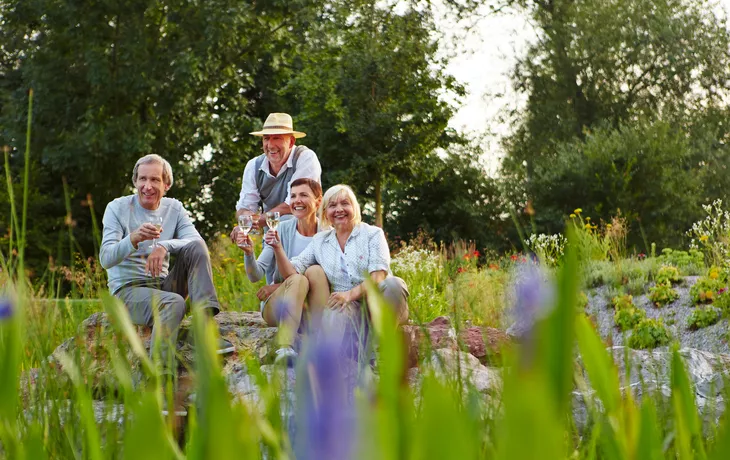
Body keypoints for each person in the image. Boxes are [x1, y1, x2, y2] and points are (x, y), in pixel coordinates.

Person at [100, 154, 233, 372]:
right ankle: (159, 371)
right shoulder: (117, 208)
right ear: (135, 181)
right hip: (127, 291)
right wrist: (132, 239)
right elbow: (106, 258)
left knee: (196, 249)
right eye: (142, 179)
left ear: (167, 184)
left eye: (154, 180)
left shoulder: (175, 208)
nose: (147, 186)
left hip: (162, 286)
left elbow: (197, 241)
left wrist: (165, 246)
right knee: (174, 302)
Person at [275, 184, 409, 352]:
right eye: (332, 205)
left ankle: (379, 352)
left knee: (393, 284)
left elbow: (378, 275)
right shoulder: (319, 241)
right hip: (350, 310)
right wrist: (277, 247)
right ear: (325, 213)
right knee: (332, 314)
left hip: (382, 302)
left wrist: (349, 295)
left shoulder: (373, 234)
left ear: (354, 208)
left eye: (345, 203)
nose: (339, 209)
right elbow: (292, 272)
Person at [238, 178, 324, 363]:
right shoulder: (281, 228)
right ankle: (285, 348)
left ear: (318, 201)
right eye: (292, 196)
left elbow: (330, 278)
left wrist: (276, 285)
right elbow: (256, 275)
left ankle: (317, 343)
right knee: (299, 280)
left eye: (303, 195)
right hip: (279, 307)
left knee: (315, 272)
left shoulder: (327, 233)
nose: (296, 200)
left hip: (311, 309)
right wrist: (249, 254)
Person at [234, 112, 322, 233]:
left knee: (287, 219)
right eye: (266, 138)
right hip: (271, 236)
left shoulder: (305, 158)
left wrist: (258, 220)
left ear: (291, 142)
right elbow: (244, 207)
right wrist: (246, 218)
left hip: (307, 235)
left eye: (276, 138)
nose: (270, 145)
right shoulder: (253, 166)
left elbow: (292, 205)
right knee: (243, 237)